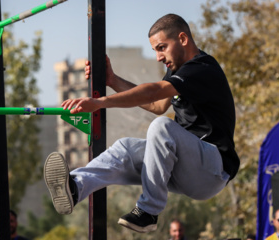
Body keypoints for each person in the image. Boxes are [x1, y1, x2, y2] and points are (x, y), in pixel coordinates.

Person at [44, 13, 239, 233]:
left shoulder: (202, 68)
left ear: (183, 39)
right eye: (155, 50)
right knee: (124, 148)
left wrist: (100, 102)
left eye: (162, 47)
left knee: (161, 126)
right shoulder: (177, 70)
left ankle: (148, 211)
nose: (158, 57)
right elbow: (158, 104)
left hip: (213, 168)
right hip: (188, 169)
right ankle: (76, 187)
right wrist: (113, 81)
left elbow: (155, 91)